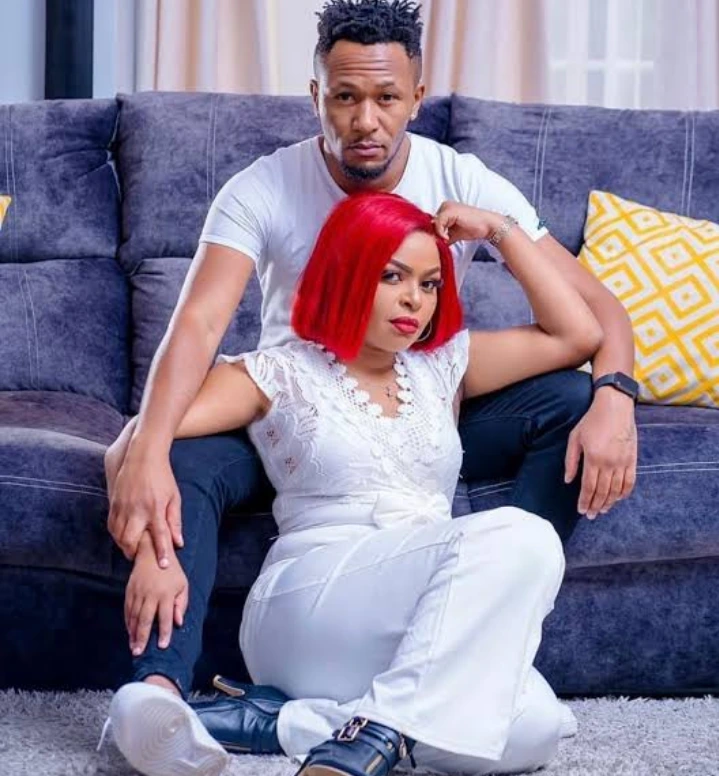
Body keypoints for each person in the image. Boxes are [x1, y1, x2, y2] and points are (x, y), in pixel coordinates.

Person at [104, 0, 638, 768]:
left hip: (411, 429)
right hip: (296, 422)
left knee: (538, 728)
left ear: (416, 97)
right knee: (179, 449)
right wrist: (145, 458)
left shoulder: (446, 306)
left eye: (386, 98)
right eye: (345, 97)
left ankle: (304, 718)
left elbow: (586, 326)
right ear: (315, 95)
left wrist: (613, 393)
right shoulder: (265, 208)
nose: (365, 120)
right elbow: (197, 327)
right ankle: (160, 686)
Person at [106, 192, 603, 776]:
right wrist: (156, 554)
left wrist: (498, 229)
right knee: (524, 537)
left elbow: (578, 335)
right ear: (345, 273)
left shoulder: (444, 366)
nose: (414, 299)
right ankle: (370, 740)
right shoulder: (275, 372)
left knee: (535, 725)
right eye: (393, 276)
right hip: (310, 601)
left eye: (430, 283)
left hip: (409, 615)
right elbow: (141, 439)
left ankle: (290, 724)